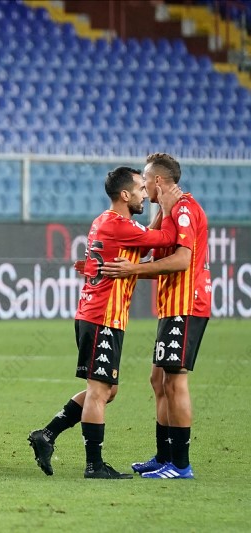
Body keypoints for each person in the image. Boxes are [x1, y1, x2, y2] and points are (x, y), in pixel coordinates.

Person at [27, 166, 181, 478]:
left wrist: (157, 212)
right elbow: (165, 238)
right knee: (99, 391)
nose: (144, 194)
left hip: (99, 316)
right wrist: (167, 206)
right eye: (139, 189)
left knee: (108, 391)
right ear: (124, 195)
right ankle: (94, 465)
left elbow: (146, 243)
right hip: (102, 317)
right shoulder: (119, 225)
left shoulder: (107, 221)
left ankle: (47, 434)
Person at [101, 153, 210, 480]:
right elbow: (150, 248)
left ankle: (181, 465)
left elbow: (182, 261)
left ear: (158, 181)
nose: (142, 186)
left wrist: (132, 270)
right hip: (172, 305)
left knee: (175, 381)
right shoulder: (169, 209)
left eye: (145, 180)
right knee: (158, 380)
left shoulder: (184, 209)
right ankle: (164, 457)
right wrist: (161, 209)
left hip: (186, 304)